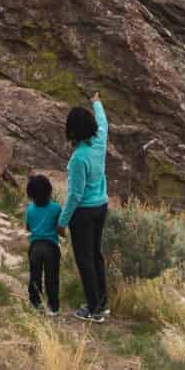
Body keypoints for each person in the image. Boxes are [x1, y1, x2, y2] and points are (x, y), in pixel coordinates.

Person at [57, 91, 109, 323]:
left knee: (85, 259)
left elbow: (75, 195)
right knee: (96, 255)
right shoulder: (99, 141)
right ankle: (102, 302)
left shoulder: (79, 158)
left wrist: (62, 221)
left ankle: (93, 309)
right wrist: (97, 102)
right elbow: (104, 121)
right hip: (101, 206)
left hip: (84, 213)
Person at [24, 174, 62, 315]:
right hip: (51, 247)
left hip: (35, 247)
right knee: (52, 278)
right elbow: (60, 227)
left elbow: (28, 227)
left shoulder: (30, 209)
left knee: (35, 276)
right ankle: (53, 307)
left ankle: (36, 303)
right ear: (49, 190)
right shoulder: (56, 208)